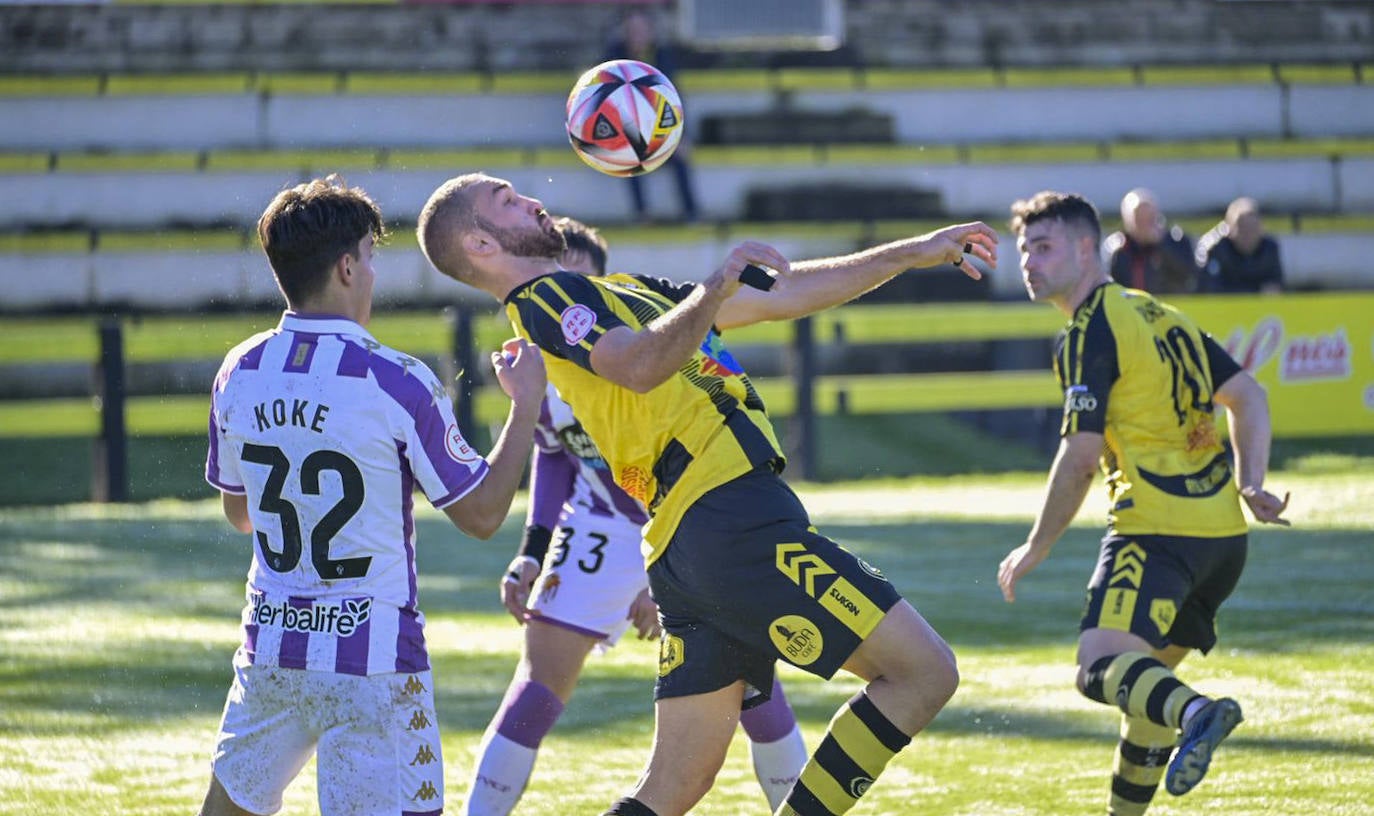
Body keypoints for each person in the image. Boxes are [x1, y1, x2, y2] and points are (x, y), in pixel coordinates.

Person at [417, 172, 997, 816]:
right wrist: (717, 284)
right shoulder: (545, 297)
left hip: (685, 546)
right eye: (506, 201)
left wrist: (916, 250)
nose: (531, 199)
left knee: (670, 791)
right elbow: (637, 366)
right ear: (480, 244)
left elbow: (785, 293)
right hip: (727, 518)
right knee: (925, 673)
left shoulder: (619, 291)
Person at [198, 175, 546, 816]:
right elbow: (481, 515)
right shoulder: (398, 381)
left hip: (271, 647)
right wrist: (525, 407)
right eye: (373, 257)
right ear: (348, 265)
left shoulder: (239, 369)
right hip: (374, 664)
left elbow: (240, 512)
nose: (375, 274)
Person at [463, 217, 808, 815]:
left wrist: (662, 578)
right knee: (537, 690)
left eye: (577, 283)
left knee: (753, 688)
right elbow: (556, 456)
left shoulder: (650, 340)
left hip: (688, 516)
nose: (565, 301)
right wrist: (531, 551)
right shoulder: (536, 364)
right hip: (598, 526)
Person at [999, 191, 1292, 815]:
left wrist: (1037, 545)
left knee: (1098, 666)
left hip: (1154, 530)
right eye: (1024, 249)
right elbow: (1250, 394)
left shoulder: (1088, 328)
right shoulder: (1162, 314)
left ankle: (1201, 712)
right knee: (1144, 694)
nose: (1029, 261)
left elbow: (1080, 456)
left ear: (1087, 247)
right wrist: (1250, 481)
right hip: (1222, 539)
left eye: (1044, 247)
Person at [602, 9, 700, 223]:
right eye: (633, 30)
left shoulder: (661, 55)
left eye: (642, 30)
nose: (638, 35)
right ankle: (642, 213)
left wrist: (682, 135)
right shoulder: (613, 56)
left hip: (657, 124)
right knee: (629, 156)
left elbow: (673, 97)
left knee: (679, 155)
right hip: (625, 125)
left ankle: (692, 212)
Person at [1103, 188, 1199, 294]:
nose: (1145, 226)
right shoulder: (1119, 249)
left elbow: (1188, 275)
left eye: (1150, 219)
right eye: (1139, 220)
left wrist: (1163, 244)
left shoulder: (1177, 242)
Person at [1195, 197, 1285, 294]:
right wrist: (1256, 291)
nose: (1248, 235)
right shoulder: (1215, 248)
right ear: (1230, 230)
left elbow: (1276, 285)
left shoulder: (1270, 249)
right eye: (1242, 229)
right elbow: (1210, 289)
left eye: (1252, 229)